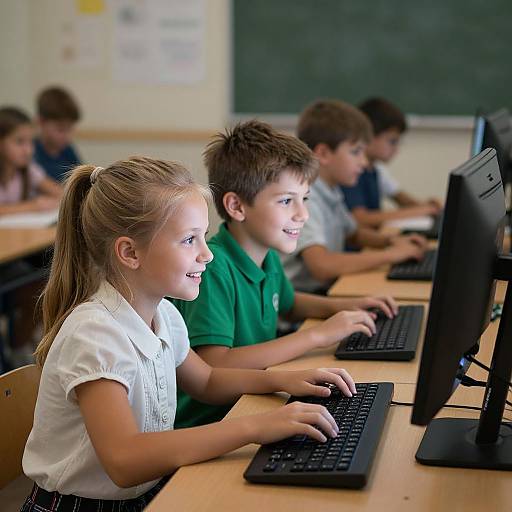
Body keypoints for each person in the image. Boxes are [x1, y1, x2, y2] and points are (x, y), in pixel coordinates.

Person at [21, 156, 356, 510]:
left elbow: (207, 381)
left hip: (143, 491)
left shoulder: (163, 313)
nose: (207, 254)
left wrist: (285, 381)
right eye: (189, 240)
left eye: (203, 237)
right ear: (129, 252)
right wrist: (256, 427)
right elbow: (124, 460)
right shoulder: (95, 334)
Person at [173, 120, 396, 429]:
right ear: (237, 206)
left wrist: (349, 306)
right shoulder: (213, 268)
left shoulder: (267, 255)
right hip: (215, 422)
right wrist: (317, 335)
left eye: (304, 199)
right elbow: (215, 364)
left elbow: (289, 304)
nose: (302, 214)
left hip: (253, 403)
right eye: (286, 200)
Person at [283, 99, 427, 295]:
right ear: (323, 153)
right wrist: (391, 255)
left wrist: (391, 241)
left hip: (323, 291)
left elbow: (353, 234)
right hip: (301, 303)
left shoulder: (330, 189)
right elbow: (321, 266)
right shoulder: (307, 198)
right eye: (356, 152)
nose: (364, 161)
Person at [0, 106, 62, 367]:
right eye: (19, 142)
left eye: (30, 142)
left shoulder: (29, 171)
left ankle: (18, 348)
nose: (28, 149)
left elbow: (59, 192)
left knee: (43, 283)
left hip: (16, 253)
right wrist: (31, 206)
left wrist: (45, 200)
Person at [342, 97, 442, 228]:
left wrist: (426, 205)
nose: (396, 149)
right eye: (392, 142)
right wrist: (421, 210)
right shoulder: (351, 170)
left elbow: (403, 200)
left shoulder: (376, 169)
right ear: (368, 136)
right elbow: (360, 219)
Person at [33, 86, 82, 181]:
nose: (67, 136)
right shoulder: (30, 152)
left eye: (70, 129)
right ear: (40, 122)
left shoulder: (68, 150)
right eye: (61, 129)